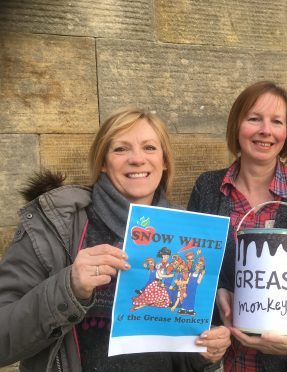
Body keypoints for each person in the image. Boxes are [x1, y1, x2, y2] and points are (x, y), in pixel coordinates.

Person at [0, 107, 230, 371]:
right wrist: (68, 287)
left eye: (150, 148)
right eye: (121, 149)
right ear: (102, 162)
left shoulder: (187, 234)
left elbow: (180, 354)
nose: (137, 159)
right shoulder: (56, 226)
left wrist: (204, 353)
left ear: (164, 161)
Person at [188, 81, 287, 371]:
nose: (266, 130)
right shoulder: (207, 187)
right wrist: (218, 292)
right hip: (226, 359)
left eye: (277, 121)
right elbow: (192, 271)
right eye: (254, 119)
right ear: (237, 125)